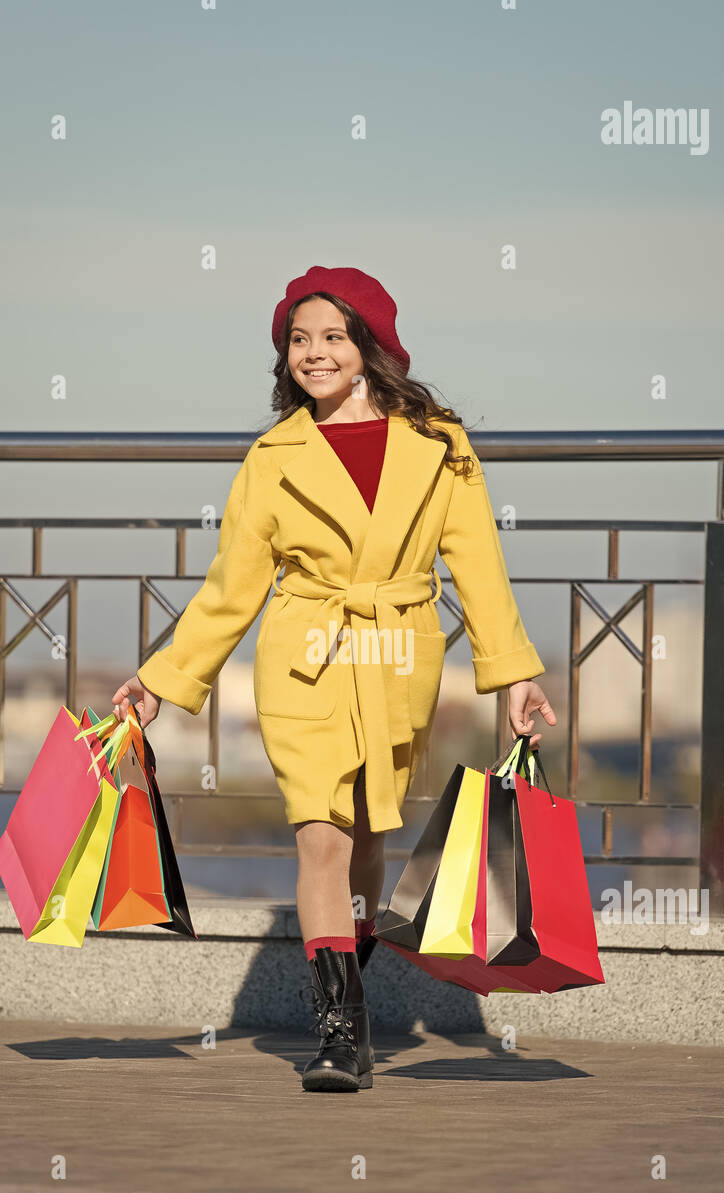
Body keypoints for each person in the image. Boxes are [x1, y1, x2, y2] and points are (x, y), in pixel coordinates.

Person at [112, 265, 556, 1094]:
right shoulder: (273, 455)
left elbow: (478, 565)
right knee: (318, 832)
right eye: (297, 339)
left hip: (395, 656)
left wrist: (511, 678)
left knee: (367, 834)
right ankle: (339, 1032)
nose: (312, 353)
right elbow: (231, 588)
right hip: (303, 655)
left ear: (369, 346)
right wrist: (160, 679)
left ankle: (348, 983)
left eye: (331, 336)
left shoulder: (439, 443)